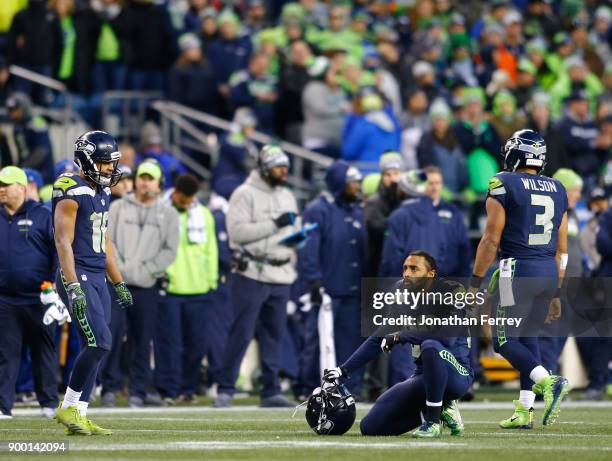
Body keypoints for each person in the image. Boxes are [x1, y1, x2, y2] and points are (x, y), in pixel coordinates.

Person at [470, 129, 570, 429]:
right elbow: (562, 249)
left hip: (517, 269)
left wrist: (475, 282)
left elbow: (490, 240)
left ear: (515, 153)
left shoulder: (503, 182)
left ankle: (549, 381)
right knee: (528, 336)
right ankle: (525, 410)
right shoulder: (558, 187)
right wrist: (556, 292)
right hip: (548, 272)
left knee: (503, 340)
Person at [323, 251, 472, 438]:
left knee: (430, 346)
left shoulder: (451, 291)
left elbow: (446, 337)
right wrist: (343, 370)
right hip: (422, 376)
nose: (407, 273)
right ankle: (438, 411)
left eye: (414, 269)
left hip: (456, 374)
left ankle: (433, 422)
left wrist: (402, 335)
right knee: (371, 427)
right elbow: (380, 337)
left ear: (430, 275)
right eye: (405, 268)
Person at [52, 130, 133, 435]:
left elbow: (104, 240)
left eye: (112, 163)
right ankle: (69, 406)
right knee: (100, 341)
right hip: (78, 274)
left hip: (97, 274)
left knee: (96, 344)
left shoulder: (101, 190)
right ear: (86, 161)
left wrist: (118, 280)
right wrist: (72, 285)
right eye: (104, 163)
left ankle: (80, 414)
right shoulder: (71, 189)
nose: (110, 169)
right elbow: (63, 242)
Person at [214, 145, 299, 408]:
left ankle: (270, 390)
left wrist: (298, 238)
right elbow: (237, 233)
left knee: (274, 334)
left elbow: (291, 229)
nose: (284, 172)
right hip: (251, 271)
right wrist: (274, 224)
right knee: (242, 332)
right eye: (278, 167)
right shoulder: (244, 193)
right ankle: (226, 388)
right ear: (263, 168)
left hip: (280, 271)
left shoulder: (287, 195)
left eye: (286, 167)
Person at [102, 160, 179, 408]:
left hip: (147, 286)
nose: (145, 182)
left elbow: (170, 251)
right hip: (116, 283)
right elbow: (106, 241)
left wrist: (147, 270)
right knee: (110, 336)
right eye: (141, 177)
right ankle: (109, 388)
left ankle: (137, 391)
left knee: (142, 340)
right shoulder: (117, 208)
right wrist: (119, 271)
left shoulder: (169, 214)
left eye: (150, 178)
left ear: (160, 183)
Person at [298, 160, 367, 396]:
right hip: (328, 288)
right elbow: (308, 247)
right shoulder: (318, 209)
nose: (357, 186)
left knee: (351, 343)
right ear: (340, 183)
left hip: (352, 288)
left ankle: (350, 387)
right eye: (352, 182)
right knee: (319, 341)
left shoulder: (356, 209)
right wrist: (314, 280)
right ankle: (310, 386)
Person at [0, 166, 59, 419]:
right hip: (5, 299)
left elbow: (58, 253)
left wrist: (55, 287)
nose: (1, 189)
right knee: (5, 353)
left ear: (22, 188)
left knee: (44, 351)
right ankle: (3, 406)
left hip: (40, 297)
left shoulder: (43, 215)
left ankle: (48, 403)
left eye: (7, 184)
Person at [155, 173, 218, 404]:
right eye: (184, 200)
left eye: (191, 200)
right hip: (170, 288)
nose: (188, 204)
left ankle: (188, 387)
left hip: (200, 290)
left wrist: (211, 282)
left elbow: (211, 250)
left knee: (196, 345)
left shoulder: (205, 215)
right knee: (169, 344)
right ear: (175, 193)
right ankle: (168, 389)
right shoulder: (159, 212)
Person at [424, 166, 471, 278]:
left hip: (448, 278)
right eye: (430, 183)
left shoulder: (453, 212)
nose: (434, 187)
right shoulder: (411, 212)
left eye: (438, 183)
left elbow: (464, 247)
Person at [5, 93, 54, 183]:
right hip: (26, 173)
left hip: (43, 174)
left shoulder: (38, 123)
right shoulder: (17, 127)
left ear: (24, 108)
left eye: (15, 110)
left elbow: (41, 152)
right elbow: (22, 153)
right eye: (10, 111)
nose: (12, 114)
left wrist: (22, 168)